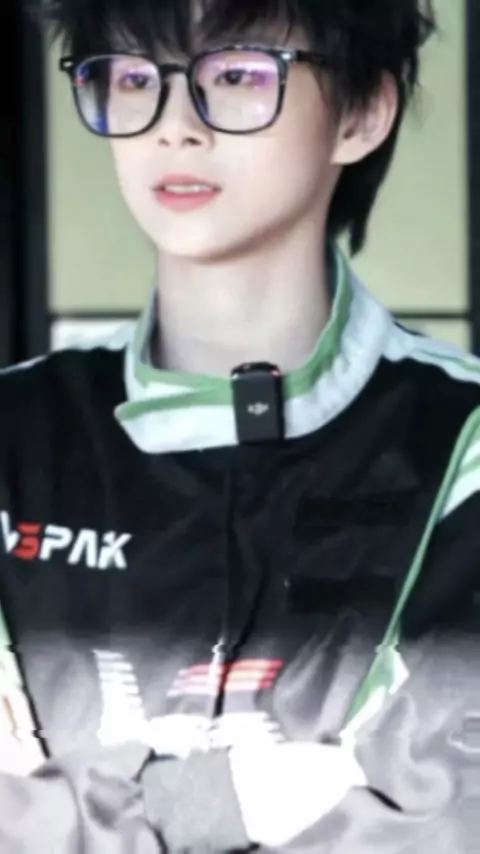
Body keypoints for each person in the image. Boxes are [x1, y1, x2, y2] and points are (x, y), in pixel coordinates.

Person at [0, 0, 479, 850]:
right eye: (134, 78)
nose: (173, 126)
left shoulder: (462, 440)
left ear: (362, 112)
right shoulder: (14, 435)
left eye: (236, 74)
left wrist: (65, 809)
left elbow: (447, 820)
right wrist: (231, 802)